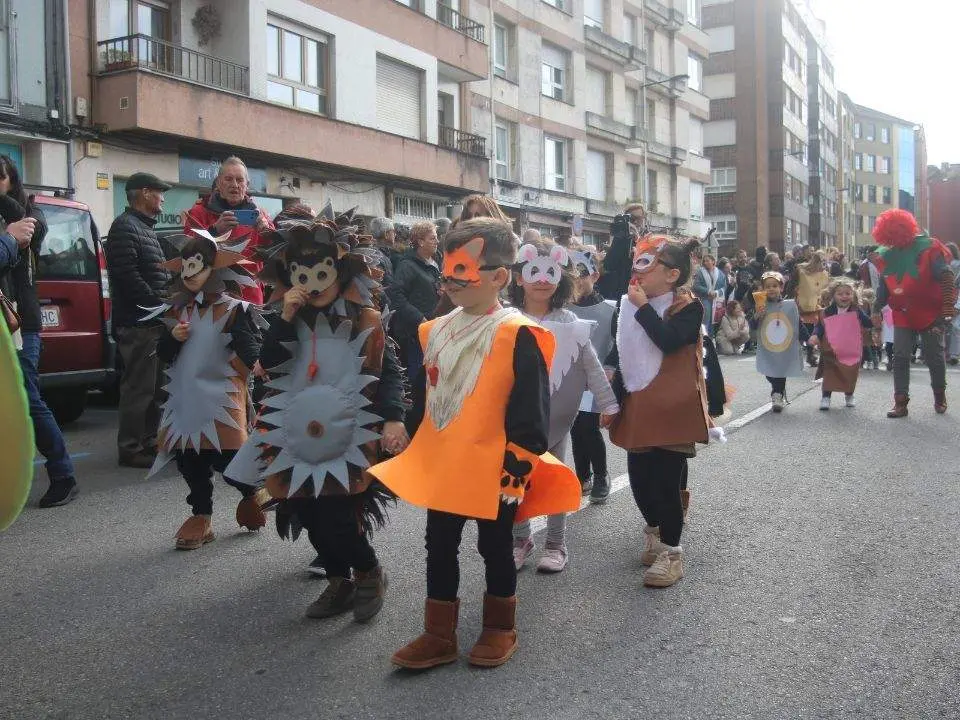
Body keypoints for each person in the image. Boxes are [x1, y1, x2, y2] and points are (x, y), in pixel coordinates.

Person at [369, 218, 580, 670]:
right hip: (446, 463)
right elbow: (430, 395)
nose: (450, 283)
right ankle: (438, 632)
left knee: (495, 545)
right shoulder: (435, 329)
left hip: (494, 468)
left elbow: (531, 412)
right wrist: (403, 428)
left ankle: (500, 626)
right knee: (439, 543)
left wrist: (516, 470)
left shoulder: (517, 332)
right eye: (446, 273)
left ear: (499, 276)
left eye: (462, 273)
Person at [226, 213, 408, 621]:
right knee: (306, 511)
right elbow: (267, 363)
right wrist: (286, 318)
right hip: (295, 435)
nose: (313, 282)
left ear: (340, 271)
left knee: (341, 516)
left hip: (348, 437)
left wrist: (393, 419)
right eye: (301, 274)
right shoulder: (284, 320)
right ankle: (338, 580)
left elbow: (390, 372)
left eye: (321, 271)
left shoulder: (363, 318)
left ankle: (367, 571)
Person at [146, 230, 267, 548]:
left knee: (230, 460)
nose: (189, 275)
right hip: (185, 401)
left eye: (196, 267)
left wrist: (256, 362)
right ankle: (201, 515)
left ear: (215, 270)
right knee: (189, 460)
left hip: (221, 398)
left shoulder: (233, 309)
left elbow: (247, 342)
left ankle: (251, 491)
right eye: (185, 268)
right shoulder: (177, 311)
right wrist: (173, 338)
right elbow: (163, 354)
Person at [607, 234, 711, 588]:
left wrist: (642, 309)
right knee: (639, 478)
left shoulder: (688, 306)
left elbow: (667, 340)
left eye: (648, 265)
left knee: (666, 482)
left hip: (672, 406)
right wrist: (612, 401)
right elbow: (625, 355)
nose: (639, 274)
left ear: (672, 274)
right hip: (639, 402)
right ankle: (653, 530)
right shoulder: (629, 304)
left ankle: (672, 552)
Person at [509, 239, 618, 574]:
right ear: (518, 277)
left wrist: (608, 403)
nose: (542, 279)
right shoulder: (507, 319)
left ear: (561, 276)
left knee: (555, 477)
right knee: (515, 480)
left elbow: (591, 366)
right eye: (534, 271)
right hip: (514, 419)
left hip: (556, 416)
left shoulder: (570, 321)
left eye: (550, 271)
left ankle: (556, 543)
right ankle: (519, 540)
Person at [0, 156, 77, 507]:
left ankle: (63, 474)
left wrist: (8, 207)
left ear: (10, 179)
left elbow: (29, 241)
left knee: (27, 397)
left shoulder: (26, 216)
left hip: (19, 323)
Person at [106, 172, 172, 468]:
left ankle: (148, 442)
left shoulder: (143, 228)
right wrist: (157, 304)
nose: (162, 198)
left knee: (156, 389)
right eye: (159, 192)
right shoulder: (125, 227)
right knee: (139, 388)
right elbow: (127, 275)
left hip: (152, 321)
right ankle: (131, 447)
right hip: (138, 323)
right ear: (145, 193)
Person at [871, 210, 957, 417]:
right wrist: (876, 309)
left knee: (934, 356)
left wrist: (947, 307)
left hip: (930, 311)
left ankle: (939, 395)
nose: (893, 241)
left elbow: (945, 274)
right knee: (900, 356)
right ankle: (900, 401)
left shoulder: (928, 248)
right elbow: (885, 285)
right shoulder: (887, 254)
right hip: (903, 311)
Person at [183, 158, 274, 304]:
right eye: (228, 179)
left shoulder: (259, 215)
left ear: (247, 184)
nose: (235, 185)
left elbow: (275, 254)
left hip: (250, 298)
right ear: (219, 183)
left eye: (240, 180)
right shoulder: (199, 212)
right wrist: (214, 231)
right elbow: (186, 254)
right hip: (210, 296)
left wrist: (267, 232)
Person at [568, 246, 617, 504]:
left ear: (594, 276)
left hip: (596, 378)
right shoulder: (563, 309)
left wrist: (610, 368)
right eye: (572, 275)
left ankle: (601, 475)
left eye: (582, 274)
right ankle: (581, 476)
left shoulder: (609, 310)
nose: (577, 280)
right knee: (576, 427)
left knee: (588, 425)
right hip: (568, 378)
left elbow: (616, 344)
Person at [389, 221, 441, 435]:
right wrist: (418, 318)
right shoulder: (407, 265)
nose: (437, 241)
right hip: (414, 333)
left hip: (433, 329)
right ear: (420, 241)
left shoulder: (435, 261)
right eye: (432, 238)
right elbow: (396, 296)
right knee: (417, 380)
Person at [809, 279, 873, 410]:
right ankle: (826, 397)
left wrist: (878, 319)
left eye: (848, 293)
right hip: (831, 347)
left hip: (850, 348)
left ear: (853, 295)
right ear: (833, 296)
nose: (844, 296)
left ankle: (849, 394)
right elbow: (820, 326)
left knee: (850, 372)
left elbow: (868, 323)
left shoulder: (856, 311)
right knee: (830, 372)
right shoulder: (827, 312)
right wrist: (815, 335)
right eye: (840, 294)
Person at [754, 271, 806, 412]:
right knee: (769, 371)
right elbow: (752, 325)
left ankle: (777, 394)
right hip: (768, 347)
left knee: (780, 370)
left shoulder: (789, 306)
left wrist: (808, 338)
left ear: (781, 288)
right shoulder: (760, 305)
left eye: (775, 286)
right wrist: (757, 316)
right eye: (767, 286)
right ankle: (777, 390)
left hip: (784, 346)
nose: (771, 289)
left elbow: (797, 323)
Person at [791, 251, 830, 367]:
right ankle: (796, 356)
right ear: (816, 262)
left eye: (825, 263)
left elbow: (826, 289)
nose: (824, 266)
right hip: (800, 305)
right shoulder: (800, 271)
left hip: (815, 306)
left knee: (811, 332)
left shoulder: (824, 274)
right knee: (799, 331)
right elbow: (791, 286)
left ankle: (810, 355)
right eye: (822, 263)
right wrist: (793, 299)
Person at [692, 253, 726, 333]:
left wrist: (716, 292)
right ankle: (704, 337)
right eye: (704, 261)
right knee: (705, 321)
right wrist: (708, 292)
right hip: (704, 299)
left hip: (716, 300)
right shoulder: (700, 272)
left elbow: (724, 287)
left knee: (714, 321)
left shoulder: (720, 273)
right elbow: (696, 286)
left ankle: (711, 338)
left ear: (713, 261)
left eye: (707, 261)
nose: (705, 263)